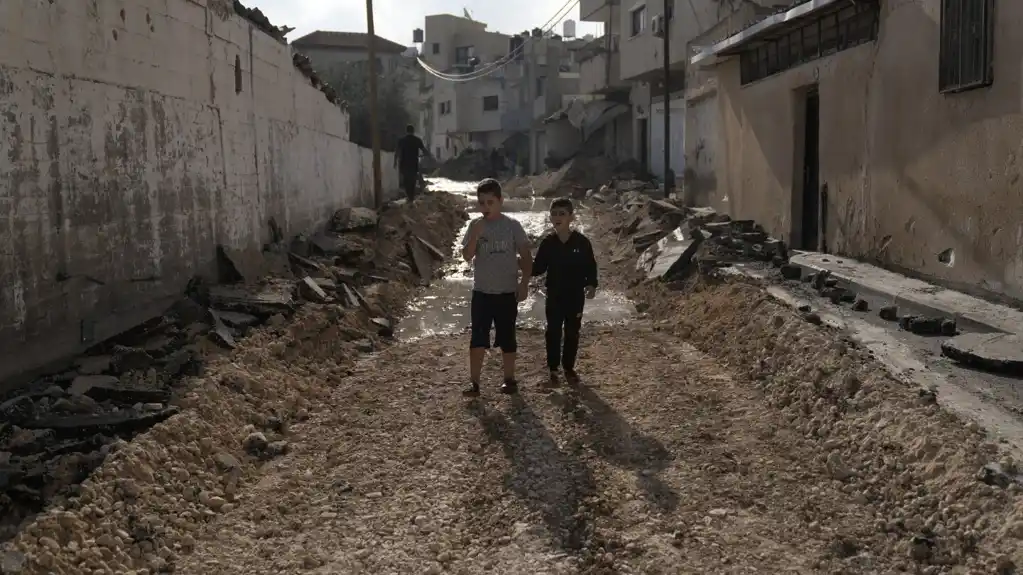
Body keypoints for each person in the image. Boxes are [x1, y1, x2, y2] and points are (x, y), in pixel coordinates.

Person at [460, 179, 532, 396]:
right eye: (482, 203)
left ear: (501, 201)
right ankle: (474, 383)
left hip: (506, 292)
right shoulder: (475, 225)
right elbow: (466, 255)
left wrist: (524, 283)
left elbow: (526, 256)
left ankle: (509, 379)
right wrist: (476, 235)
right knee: (478, 339)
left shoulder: (512, 226)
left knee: (508, 338)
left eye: (490, 202)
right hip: (482, 291)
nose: (486, 207)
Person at [531, 198, 598, 386]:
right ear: (550, 218)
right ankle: (553, 367)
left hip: (575, 296)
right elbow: (538, 269)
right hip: (554, 295)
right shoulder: (548, 243)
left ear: (571, 217)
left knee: (572, 331)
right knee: (552, 331)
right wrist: (523, 266)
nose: (557, 217)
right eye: (554, 214)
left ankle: (568, 367)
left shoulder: (582, 242)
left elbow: (590, 266)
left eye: (562, 214)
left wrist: (591, 285)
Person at [395, 124, 429, 202]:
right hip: (414, 164)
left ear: (406, 131)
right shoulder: (417, 140)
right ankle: (411, 198)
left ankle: (408, 196)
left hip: (404, 164)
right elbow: (424, 150)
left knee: (406, 180)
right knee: (413, 180)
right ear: (413, 131)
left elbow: (397, 151)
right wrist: (429, 156)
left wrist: (395, 162)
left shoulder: (402, 140)